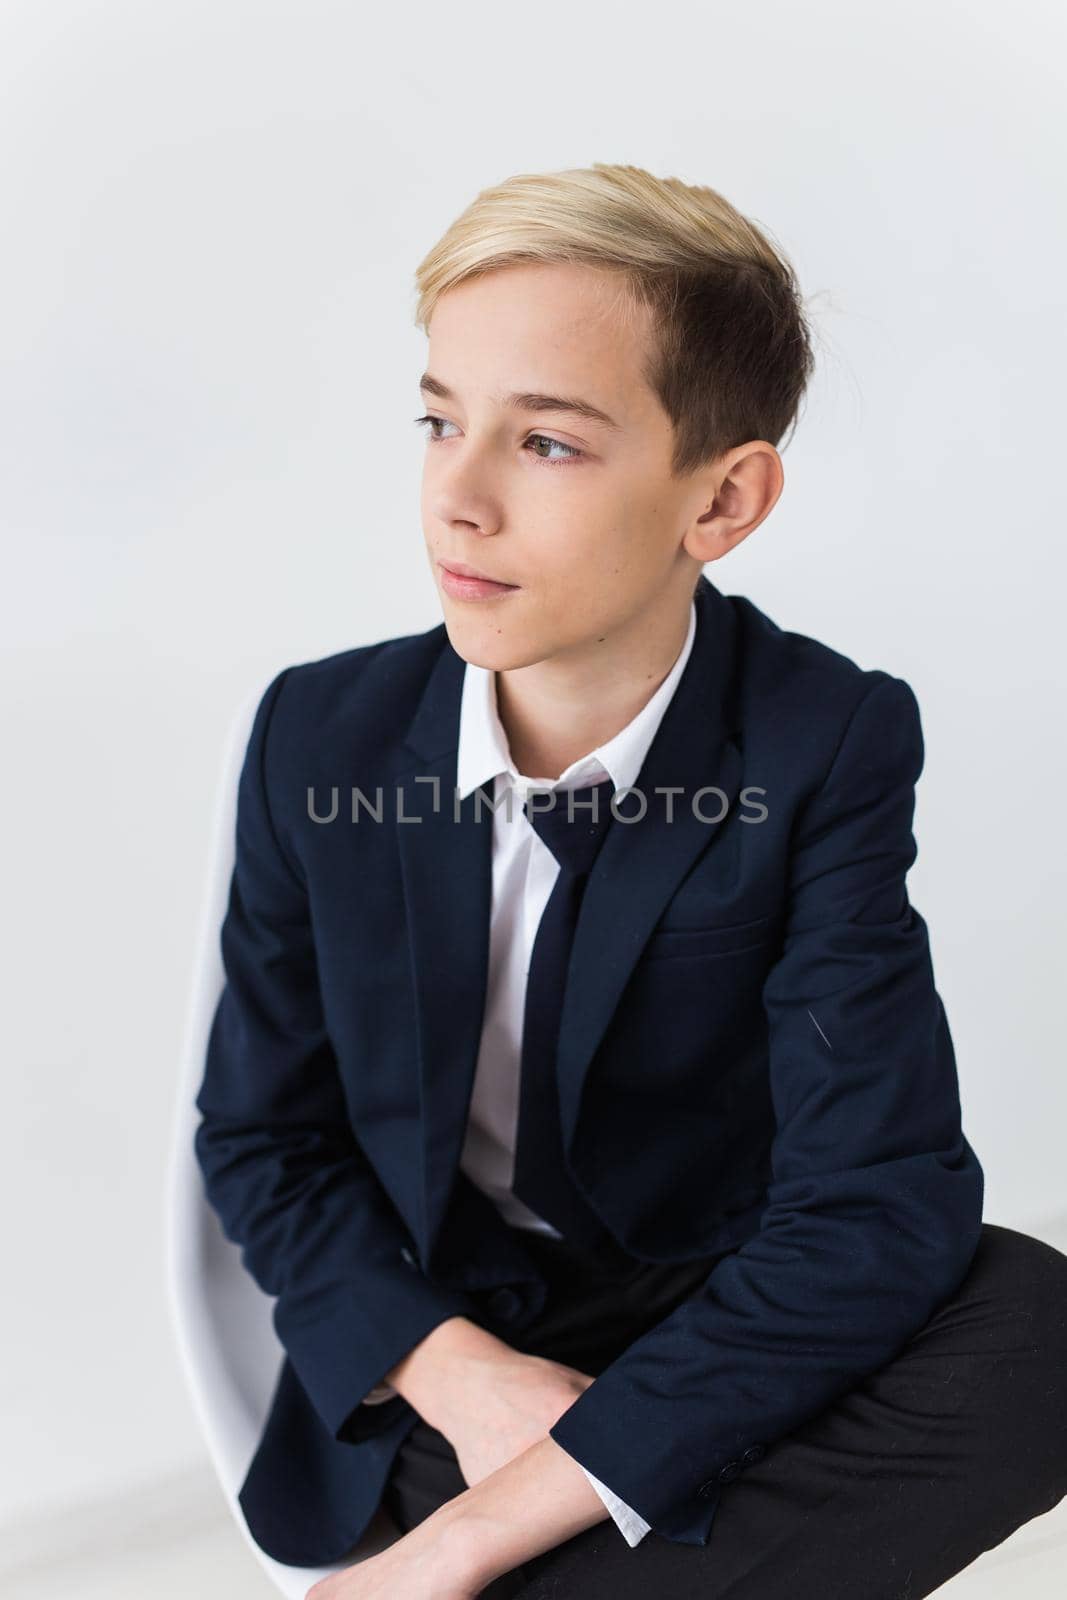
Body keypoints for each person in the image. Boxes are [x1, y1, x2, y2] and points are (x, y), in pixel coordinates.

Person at [193, 163, 1067, 1599]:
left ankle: (451, 1573)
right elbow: (264, 1141)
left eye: (544, 444)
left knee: (1040, 1329)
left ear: (722, 500)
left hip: (717, 1309)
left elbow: (877, 1199)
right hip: (454, 1326)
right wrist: (473, 1390)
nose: (455, 501)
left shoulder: (824, 737)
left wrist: (485, 1528)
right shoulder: (320, 735)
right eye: (437, 421)